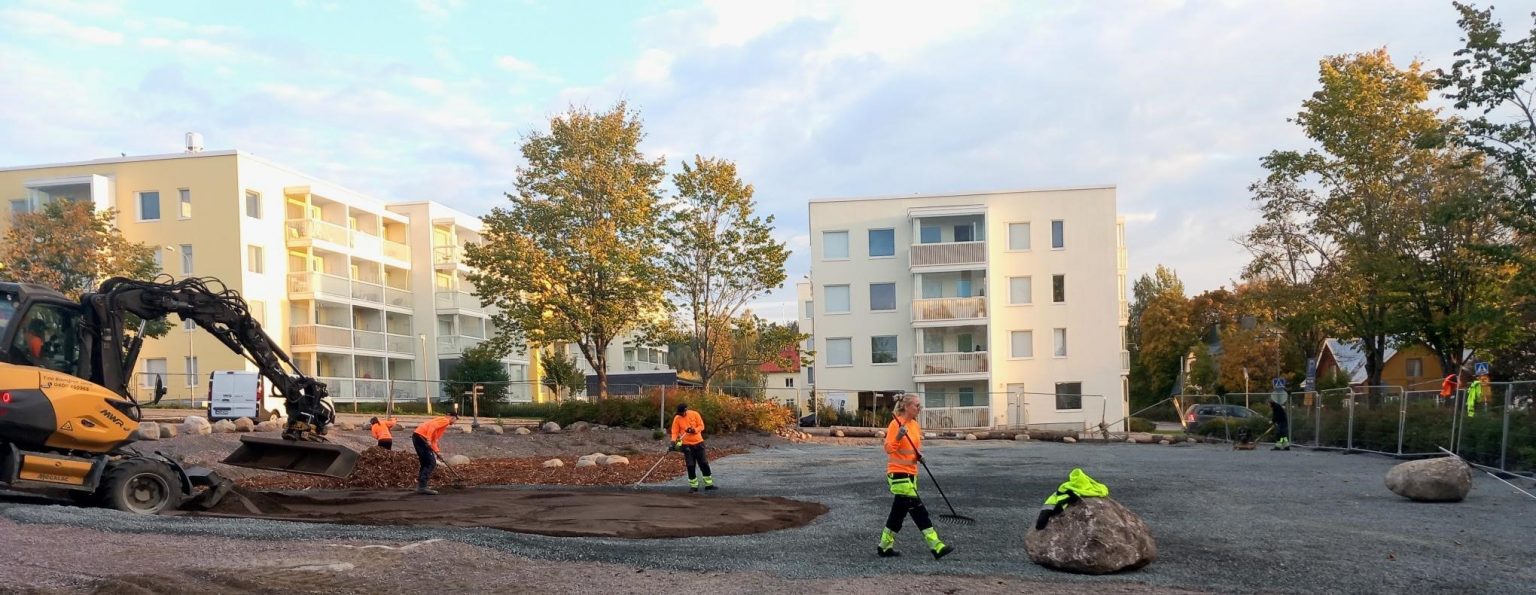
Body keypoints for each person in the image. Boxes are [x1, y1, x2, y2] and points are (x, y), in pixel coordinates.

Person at [877, 393, 953, 560]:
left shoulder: (915, 425)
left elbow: (912, 448)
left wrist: (918, 455)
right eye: (916, 405)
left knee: (898, 514)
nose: (920, 408)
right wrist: (898, 436)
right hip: (898, 474)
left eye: (920, 405)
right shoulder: (896, 424)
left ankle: (884, 546)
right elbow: (889, 449)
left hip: (911, 473)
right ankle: (936, 545)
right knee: (919, 511)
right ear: (906, 407)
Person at [670, 403, 715, 492]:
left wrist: (694, 430)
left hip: (698, 443)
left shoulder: (694, 414)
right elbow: (674, 432)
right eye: (679, 413)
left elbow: (701, 426)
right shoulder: (677, 418)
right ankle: (694, 486)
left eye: (682, 413)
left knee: (703, 463)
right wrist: (672, 443)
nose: (680, 415)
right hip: (686, 445)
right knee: (690, 465)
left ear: (686, 410)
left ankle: (709, 484)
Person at [412, 411, 458, 495]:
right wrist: (428, 439)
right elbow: (432, 427)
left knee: (425, 462)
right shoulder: (445, 420)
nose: (455, 422)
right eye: (456, 419)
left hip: (418, 436)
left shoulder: (441, 423)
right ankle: (422, 487)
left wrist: (437, 452)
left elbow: (434, 440)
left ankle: (421, 486)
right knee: (431, 463)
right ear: (453, 417)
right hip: (421, 438)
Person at [1269, 380, 1291, 451]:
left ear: (1271, 403)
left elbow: (1276, 415)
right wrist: (1274, 421)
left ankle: (1279, 446)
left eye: (1269, 403)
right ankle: (1286, 446)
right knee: (1282, 435)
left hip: (1282, 422)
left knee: (1279, 434)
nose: (1269, 405)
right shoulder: (1277, 406)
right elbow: (1277, 415)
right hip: (1282, 422)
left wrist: (1273, 421)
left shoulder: (1276, 407)